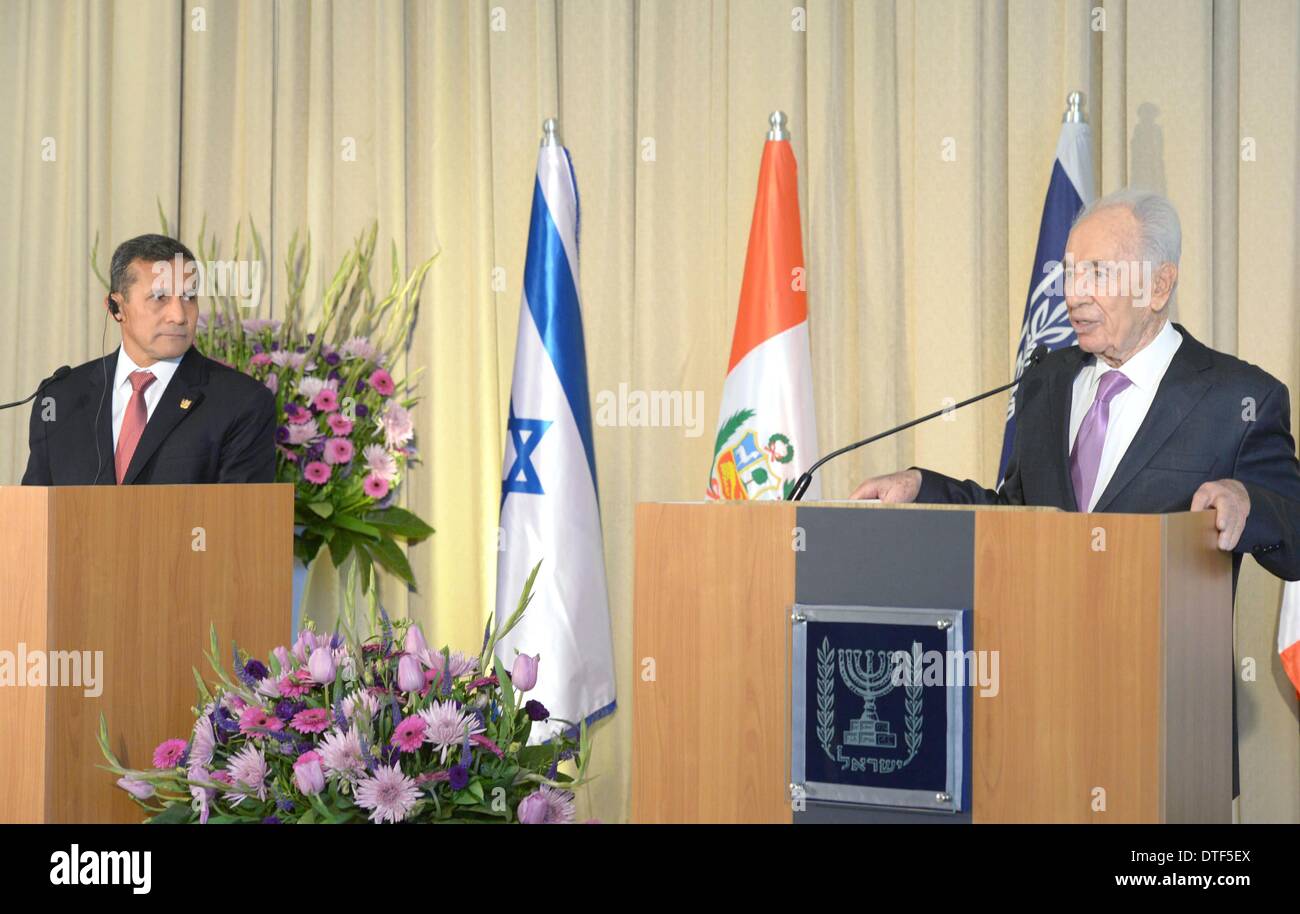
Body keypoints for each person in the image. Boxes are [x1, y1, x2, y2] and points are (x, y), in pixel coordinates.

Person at [851, 187, 1300, 798]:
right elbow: (1019, 515)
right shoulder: (1048, 380)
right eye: (1069, 271)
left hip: (1166, 729)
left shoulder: (1238, 398)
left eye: (1098, 272)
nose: (1074, 292)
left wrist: (1250, 506)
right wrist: (922, 489)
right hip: (1035, 715)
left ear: (1158, 287)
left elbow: (1294, 534)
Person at [21, 234, 276, 486]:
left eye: (188, 297)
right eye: (160, 297)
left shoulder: (242, 402)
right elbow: (34, 514)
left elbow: (240, 520)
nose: (178, 315)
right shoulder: (59, 398)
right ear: (116, 308)